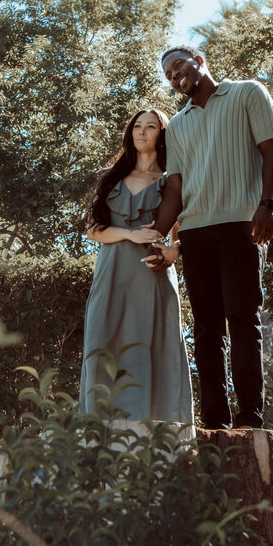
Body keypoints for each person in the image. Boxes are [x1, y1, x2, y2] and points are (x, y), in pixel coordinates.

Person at [145, 46, 273, 430]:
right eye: (168, 74)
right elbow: (175, 189)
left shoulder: (247, 93)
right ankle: (214, 419)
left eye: (177, 66)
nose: (174, 76)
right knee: (206, 329)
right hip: (194, 234)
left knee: (242, 319)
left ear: (199, 61)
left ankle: (250, 417)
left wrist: (268, 205)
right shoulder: (179, 126)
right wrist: (157, 234)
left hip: (243, 224)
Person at [79, 108, 193, 427]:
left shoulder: (174, 180)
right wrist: (129, 233)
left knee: (147, 344)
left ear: (163, 135)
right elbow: (93, 229)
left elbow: (184, 232)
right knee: (102, 339)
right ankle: (97, 425)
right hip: (111, 271)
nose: (142, 132)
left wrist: (174, 252)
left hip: (151, 274)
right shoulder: (111, 177)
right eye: (137, 126)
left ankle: (153, 428)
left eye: (151, 127)